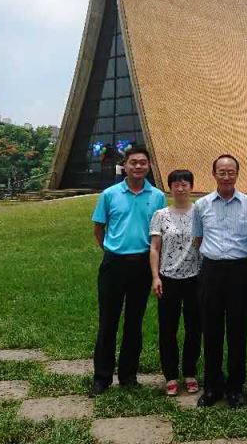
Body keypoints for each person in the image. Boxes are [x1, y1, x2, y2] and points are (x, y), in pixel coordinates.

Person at [89, 146, 166, 397]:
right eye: (134, 163)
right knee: (108, 322)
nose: (138, 167)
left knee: (134, 322)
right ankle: (102, 377)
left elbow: (159, 234)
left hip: (142, 264)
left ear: (149, 166)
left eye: (143, 163)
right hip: (114, 263)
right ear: (125, 165)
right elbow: (99, 228)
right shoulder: (110, 194)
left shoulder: (157, 196)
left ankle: (128, 375)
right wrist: (111, 250)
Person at [191, 154, 247, 408]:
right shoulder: (202, 205)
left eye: (231, 172)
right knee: (211, 330)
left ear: (237, 174)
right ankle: (211, 386)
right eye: (222, 172)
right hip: (211, 272)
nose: (227, 176)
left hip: (239, 272)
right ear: (214, 174)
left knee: (238, 331)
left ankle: (235, 387)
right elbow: (198, 239)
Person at [150, 169, 201, 396]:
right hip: (168, 278)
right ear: (170, 188)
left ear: (191, 187)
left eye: (185, 184)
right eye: (176, 184)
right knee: (168, 328)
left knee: (194, 328)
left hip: (195, 278)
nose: (180, 188)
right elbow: (154, 248)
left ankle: (190, 372)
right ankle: (170, 375)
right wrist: (155, 276)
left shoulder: (200, 212)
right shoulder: (161, 215)